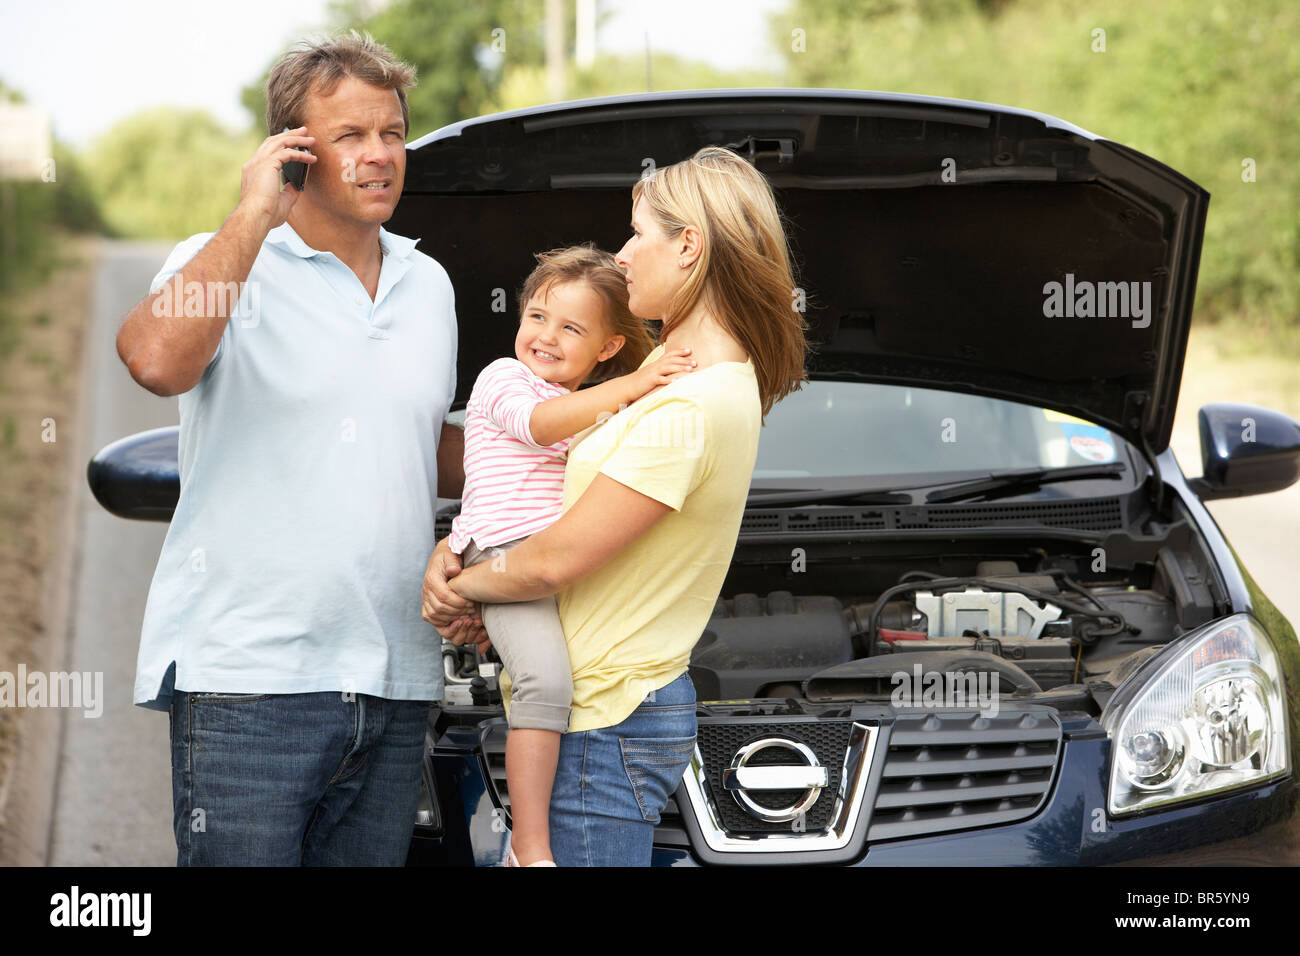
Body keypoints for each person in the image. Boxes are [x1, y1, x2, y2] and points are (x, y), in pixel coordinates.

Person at [116, 32, 464, 865]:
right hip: (250, 680)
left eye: (392, 133)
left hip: (397, 680)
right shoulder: (224, 261)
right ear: (292, 152)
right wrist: (251, 215)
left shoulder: (432, 285)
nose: (381, 156)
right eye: (350, 137)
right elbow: (156, 362)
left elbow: (423, 447)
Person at [422, 145, 809, 866]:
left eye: (638, 234)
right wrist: (470, 555)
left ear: (689, 245)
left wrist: (455, 588)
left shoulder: (686, 406)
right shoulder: (690, 388)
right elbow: (527, 483)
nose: (623, 256)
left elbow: (554, 560)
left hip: (605, 720)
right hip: (606, 712)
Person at [448, 244, 696, 866]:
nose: (546, 336)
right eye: (536, 316)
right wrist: (638, 385)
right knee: (545, 683)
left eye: (571, 327)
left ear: (608, 347)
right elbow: (538, 425)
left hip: (556, 562)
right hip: (505, 554)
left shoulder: (589, 411)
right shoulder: (505, 380)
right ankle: (528, 851)